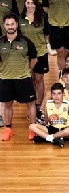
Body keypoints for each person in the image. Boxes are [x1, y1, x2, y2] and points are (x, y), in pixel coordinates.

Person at [0, 13, 37, 141]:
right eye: (7, 24)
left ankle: (33, 129)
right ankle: (8, 129)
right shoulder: (0, 42)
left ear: (16, 24)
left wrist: (26, 70)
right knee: (7, 105)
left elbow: (34, 59)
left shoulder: (26, 42)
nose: (10, 27)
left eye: (12, 24)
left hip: (24, 79)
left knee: (31, 104)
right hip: (6, 79)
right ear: (4, 26)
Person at [19, 0, 50, 124]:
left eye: (33, 3)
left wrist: (42, 46)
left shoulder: (42, 18)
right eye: (28, 3)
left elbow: (47, 35)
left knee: (39, 79)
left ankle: (38, 107)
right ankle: (30, 105)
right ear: (25, 4)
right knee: (29, 80)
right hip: (25, 55)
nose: (30, 5)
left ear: (36, 5)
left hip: (41, 53)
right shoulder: (20, 19)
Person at [29, 82, 69, 148]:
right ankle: (53, 139)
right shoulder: (48, 103)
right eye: (54, 94)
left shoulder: (67, 104)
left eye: (59, 93)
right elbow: (46, 120)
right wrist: (50, 119)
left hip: (64, 128)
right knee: (32, 126)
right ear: (51, 95)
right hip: (52, 128)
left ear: (63, 94)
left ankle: (48, 137)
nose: (56, 96)